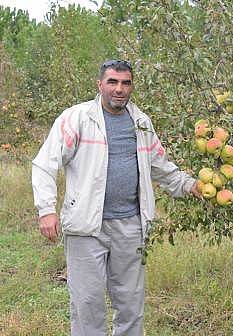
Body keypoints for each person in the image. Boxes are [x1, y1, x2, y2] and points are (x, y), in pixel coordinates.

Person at [32, 59, 202, 335]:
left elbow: (160, 166)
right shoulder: (76, 119)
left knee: (131, 304)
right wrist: (46, 209)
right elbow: (45, 163)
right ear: (99, 84)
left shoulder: (141, 123)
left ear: (132, 86)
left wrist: (190, 185)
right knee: (88, 303)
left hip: (131, 226)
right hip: (87, 226)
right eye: (112, 82)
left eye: (125, 83)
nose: (119, 89)